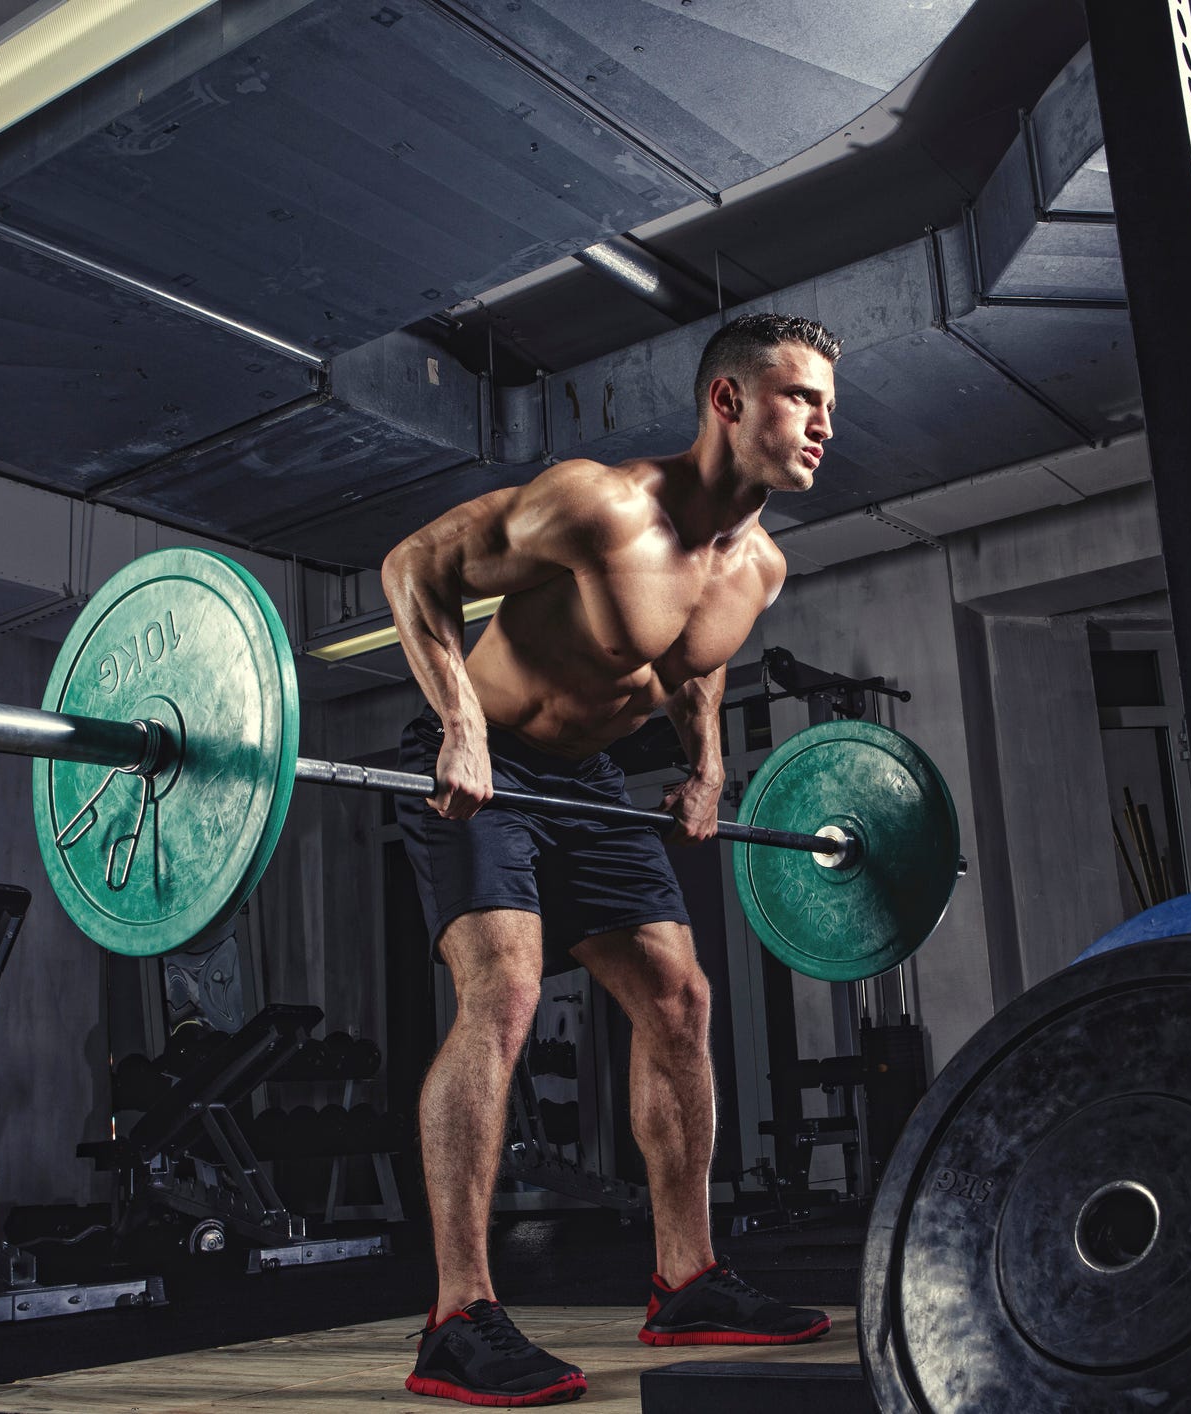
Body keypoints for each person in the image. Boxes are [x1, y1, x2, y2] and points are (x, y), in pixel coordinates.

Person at [381, 312, 842, 1406]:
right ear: (727, 401)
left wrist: (707, 768)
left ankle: (688, 1279)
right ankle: (458, 1314)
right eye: (800, 397)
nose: (825, 422)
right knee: (507, 990)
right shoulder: (599, 505)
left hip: (590, 786)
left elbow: (698, 665)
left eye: (830, 402)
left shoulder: (761, 567)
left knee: (680, 997)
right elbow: (414, 566)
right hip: (485, 768)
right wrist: (459, 723)